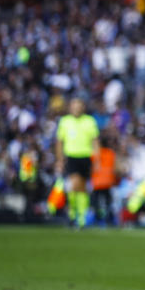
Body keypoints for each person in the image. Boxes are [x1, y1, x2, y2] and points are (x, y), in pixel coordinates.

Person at [55, 98, 100, 228]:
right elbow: (59, 142)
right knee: (74, 184)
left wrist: (97, 159)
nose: (76, 108)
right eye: (74, 106)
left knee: (83, 188)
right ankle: (73, 214)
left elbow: (95, 141)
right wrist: (60, 159)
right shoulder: (65, 121)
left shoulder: (89, 121)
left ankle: (81, 217)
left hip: (86, 156)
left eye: (79, 106)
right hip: (71, 156)